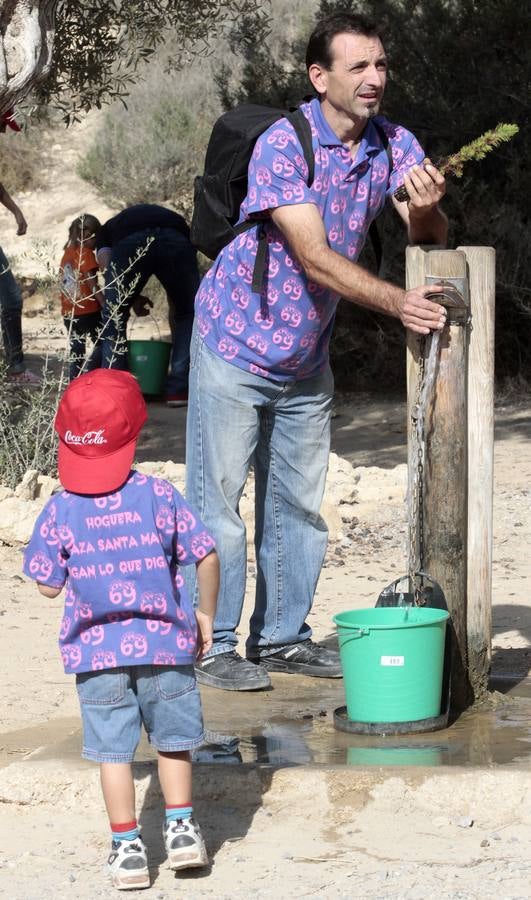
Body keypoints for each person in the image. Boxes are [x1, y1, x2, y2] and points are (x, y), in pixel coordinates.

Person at [186, 12, 449, 691]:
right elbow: (314, 258)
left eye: (381, 66)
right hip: (233, 343)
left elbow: (430, 238)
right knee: (218, 503)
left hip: (305, 357)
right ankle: (213, 646)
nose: (373, 79)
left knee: (297, 506)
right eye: (357, 66)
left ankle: (280, 640)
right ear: (318, 76)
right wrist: (399, 304)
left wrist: (424, 207)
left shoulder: (394, 143)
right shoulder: (285, 143)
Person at [23, 368, 219, 890]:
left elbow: (46, 585)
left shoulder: (62, 506)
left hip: (95, 656)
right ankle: (181, 832)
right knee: (173, 742)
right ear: (138, 433)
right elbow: (205, 553)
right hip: (166, 647)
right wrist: (205, 617)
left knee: (114, 752)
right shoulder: (159, 495)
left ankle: (128, 848)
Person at [94, 204, 200, 406]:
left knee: (114, 315)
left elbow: (108, 268)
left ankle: (114, 390)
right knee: (188, 313)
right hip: (176, 236)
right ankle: (179, 390)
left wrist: (127, 299)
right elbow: (181, 285)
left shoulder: (106, 231)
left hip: (130, 240)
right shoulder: (169, 218)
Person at [59, 214, 104, 379]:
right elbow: (92, 285)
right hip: (89, 311)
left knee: (76, 351)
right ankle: (89, 374)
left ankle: (74, 383)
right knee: (103, 343)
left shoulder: (68, 253)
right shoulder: (86, 254)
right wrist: (105, 303)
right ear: (89, 236)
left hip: (69, 312)